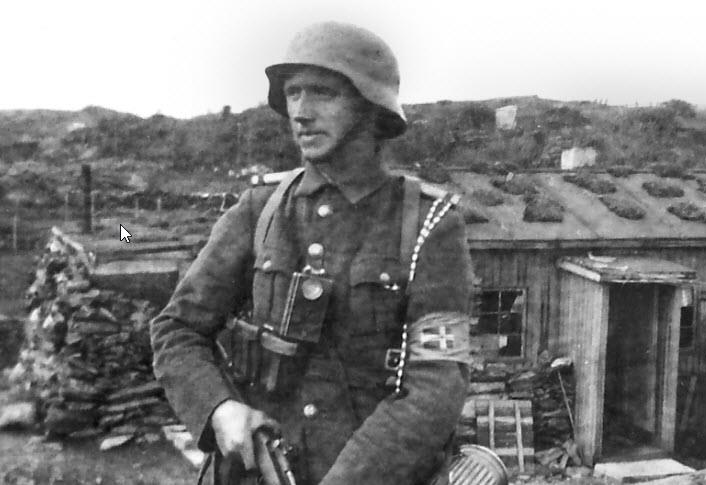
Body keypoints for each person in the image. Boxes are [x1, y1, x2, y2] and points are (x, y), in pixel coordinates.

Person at [150, 21, 474, 484]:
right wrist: (220, 410)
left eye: (323, 92)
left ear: (371, 106)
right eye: (293, 93)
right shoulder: (260, 210)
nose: (300, 112)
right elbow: (177, 328)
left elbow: (437, 386)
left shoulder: (429, 223)